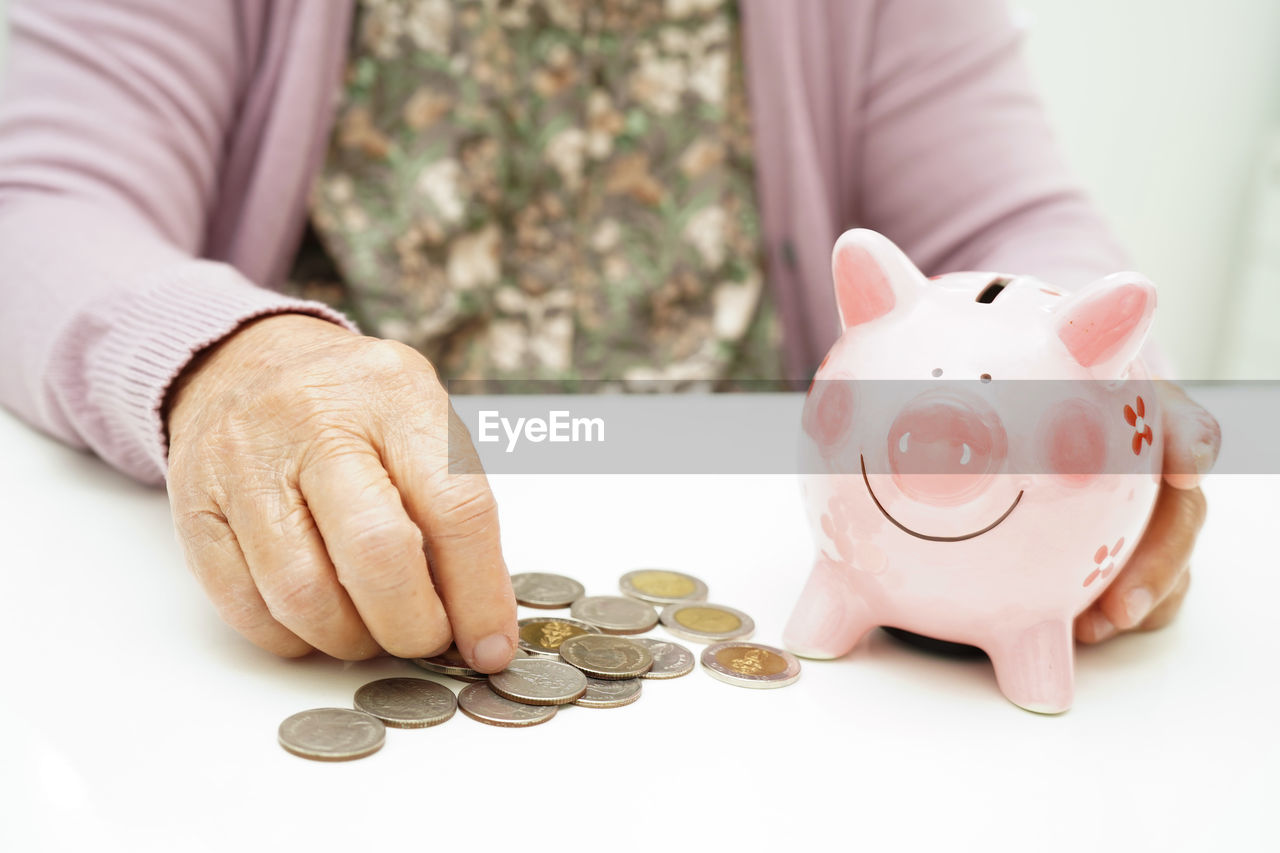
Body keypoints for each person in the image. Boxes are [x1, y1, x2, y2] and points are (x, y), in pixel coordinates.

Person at [0, 0, 1219, 674]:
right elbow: (38, 202)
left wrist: (1095, 378)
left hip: (752, 601)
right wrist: (238, 359)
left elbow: (1016, 223)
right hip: (345, 555)